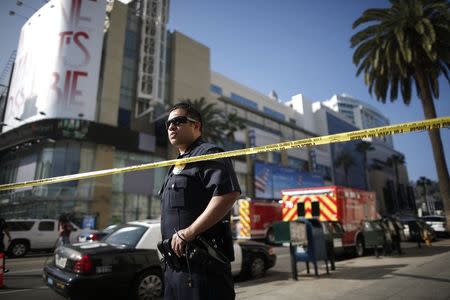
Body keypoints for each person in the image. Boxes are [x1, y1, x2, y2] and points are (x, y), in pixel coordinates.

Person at [159, 102, 241, 300]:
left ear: (196, 126)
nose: (171, 126)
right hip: (175, 268)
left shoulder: (208, 153)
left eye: (178, 121)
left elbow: (227, 194)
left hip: (203, 268)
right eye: (168, 123)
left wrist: (189, 232)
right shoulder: (177, 165)